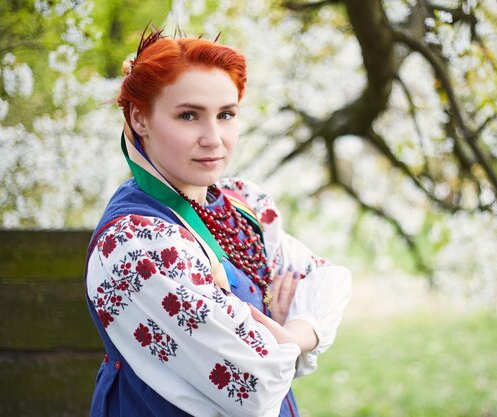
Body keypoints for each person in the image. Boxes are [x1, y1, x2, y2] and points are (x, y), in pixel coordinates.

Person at [84, 26, 351, 417]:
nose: (213, 138)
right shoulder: (133, 243)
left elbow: (326, 280)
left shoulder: (241, 203)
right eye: (188, 115)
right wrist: (279, 337)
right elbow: (253, 383)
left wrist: (294, 333)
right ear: (140, 119)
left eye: (226, 114)